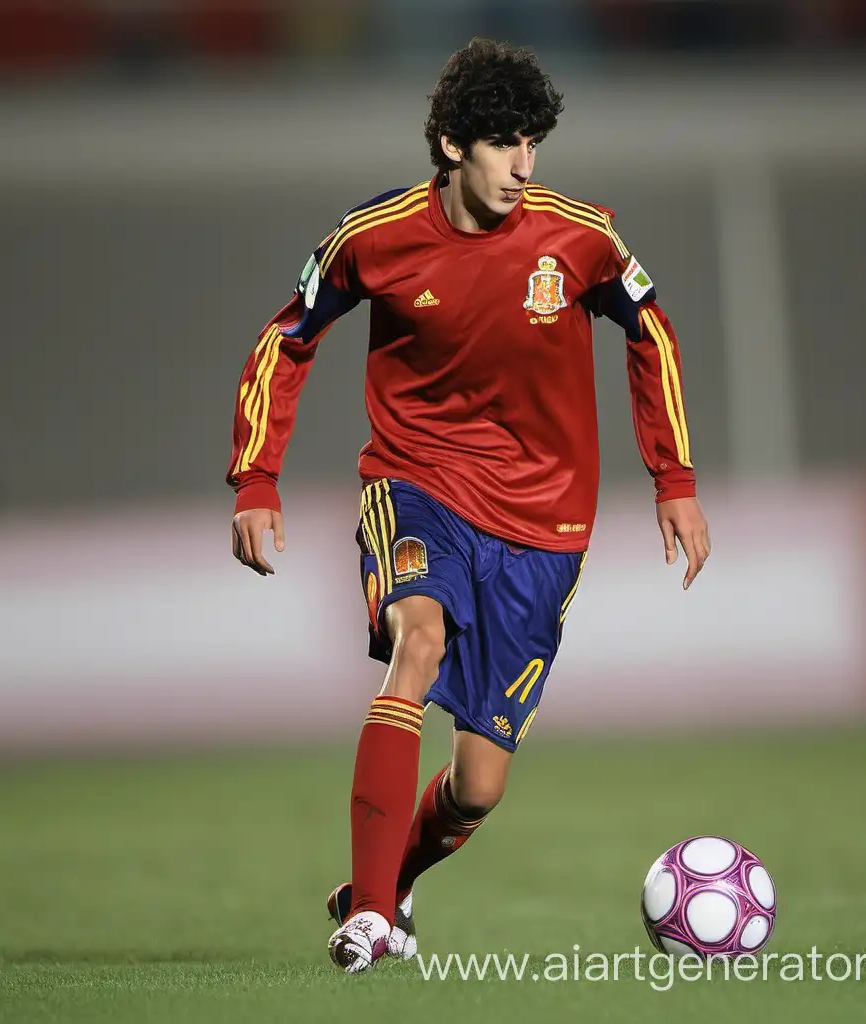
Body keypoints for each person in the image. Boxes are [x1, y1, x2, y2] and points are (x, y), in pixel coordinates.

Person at [227, 37, 711, 974]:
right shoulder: (375, 234)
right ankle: (370, 918)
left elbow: (651, 329)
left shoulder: (581, 235)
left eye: (534, 143)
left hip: (544, 524)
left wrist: (676, 480)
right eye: (504, 144)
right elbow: (285, 339)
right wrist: (256, 476)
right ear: (452, 145)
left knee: (478, 787)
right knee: (419, 638)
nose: (524, 166)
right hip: (419, 485)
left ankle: (390, 881)